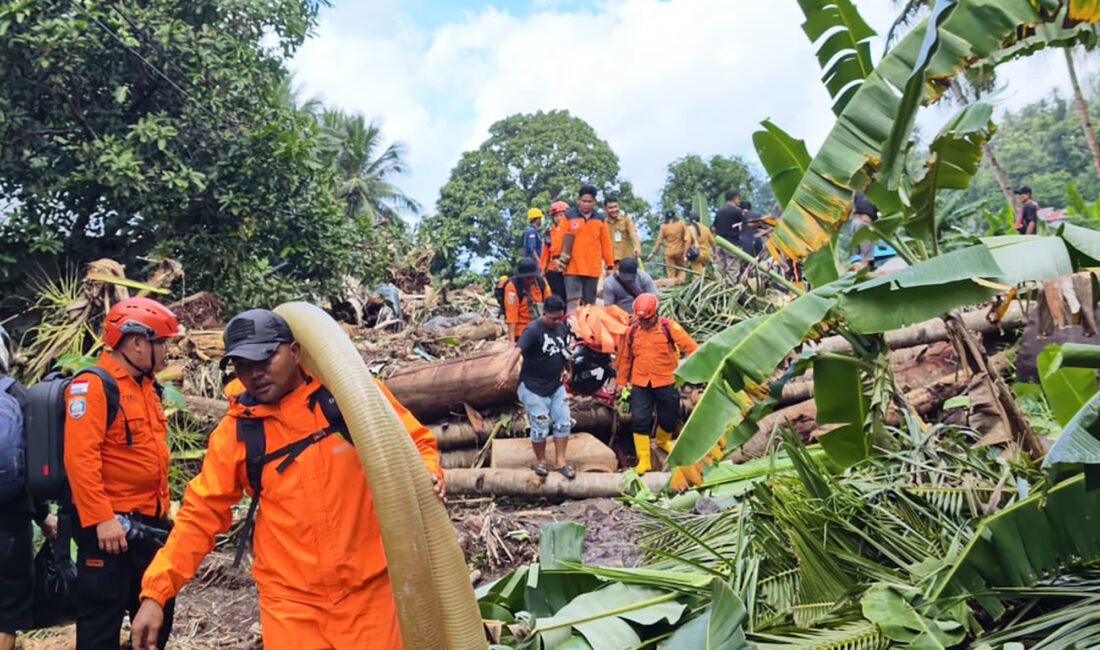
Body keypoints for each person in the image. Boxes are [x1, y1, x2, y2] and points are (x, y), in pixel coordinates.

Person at [131, 309, 445, 650]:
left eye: (266, 358)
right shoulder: (237, 432)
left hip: (372, 592)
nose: (255, 374)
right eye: (243, 365)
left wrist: (428, 472)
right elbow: (199, 517)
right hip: (291, 605)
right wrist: (156, 593)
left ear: (294, 352)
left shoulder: (347, 398)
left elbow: (416, 442)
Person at [63, 297, 180, 650]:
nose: (166, 354)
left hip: (150, 527)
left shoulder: (146, 388)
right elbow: (79, 459)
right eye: (162, 344)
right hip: (109, 533)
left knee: (156, 622)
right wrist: (101, 519)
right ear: (137, 343)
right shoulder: (93, 386)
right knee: (101, 626)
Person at [0, 324, 57, 650]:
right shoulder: (18, 396)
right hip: (10, 521)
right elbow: (36, 466)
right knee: (6, 611)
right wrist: (43, 517)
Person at [611, 294, 698, 475]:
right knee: (639, 419)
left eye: (647, 319)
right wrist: (620, 382)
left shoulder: (669, 327)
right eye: (640, 318)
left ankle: (662, 441)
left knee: (669, 416)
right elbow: (626, 358)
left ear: (655, 314)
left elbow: (691, 349)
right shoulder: (632, 331)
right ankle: (643, 460)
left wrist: (696, 378)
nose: (643, 322)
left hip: (666, 380)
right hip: (641, 381)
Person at [494, 295, 574, 480]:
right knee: (541, 423)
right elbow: (517, 351)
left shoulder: (561, 328)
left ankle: (560, 461)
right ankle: (541, 460)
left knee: (563, 421)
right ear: (543, 313)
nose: (555, 321)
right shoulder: (533, 330)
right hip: (533, 387)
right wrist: (506, 371)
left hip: (555, 385)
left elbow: (564, 351)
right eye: (552, 318)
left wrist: (569, 369)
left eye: (558, 318)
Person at [561, 185, 614, 311]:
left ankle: (589, 329)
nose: (586, 204)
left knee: (590, 305)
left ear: (594, 202)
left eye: (589, 201)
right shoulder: (568, 217)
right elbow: (560, 240)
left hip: (592, 268)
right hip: (572, 267)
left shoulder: (600, 220)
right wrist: (557, 258)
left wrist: (610, 265)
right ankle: (572, 329)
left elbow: (605, 243)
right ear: (578, 200)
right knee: (573, 303)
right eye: (584, 201)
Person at [504, 257, 551, 342]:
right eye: (526, 278)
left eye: (531, 277)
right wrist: (511, 342)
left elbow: (550, 303)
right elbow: (511, 315)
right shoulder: (512, 287)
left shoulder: (541, 282)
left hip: (541, 328)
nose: (529, 280)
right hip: (522, 332)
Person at [647, 210, 688, 282]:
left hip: (669, 253)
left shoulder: (663, 227)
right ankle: (681, 282)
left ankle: (671, 286)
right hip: (680, 251)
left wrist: (652, 253)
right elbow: (687, 237)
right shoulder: (681, 223)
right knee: (682, 269)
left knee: (671, 272)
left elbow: (659, 241)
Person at [712, 190, 744, 279]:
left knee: (720, 269)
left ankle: (719, 289)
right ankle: (731, 290)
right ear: (735, 198)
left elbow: (713, 228)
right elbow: (746, 224)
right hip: (731, 244)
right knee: (732, 270)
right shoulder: (737, 211)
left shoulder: (719, 212)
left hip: (720, 244)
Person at [542, 200, 570, 298]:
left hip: (570, 268)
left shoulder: (572, 230)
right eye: (556, 216)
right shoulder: (549, 232)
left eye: (561, 215)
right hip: (553, 269)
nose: (559, 218)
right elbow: (544, 253)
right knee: (557, 297)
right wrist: (542, 270)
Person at [604, 195, 641, 267]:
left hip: (626, 261)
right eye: (610, 208)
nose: (614, 209)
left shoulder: (626, 220)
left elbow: (633, 234)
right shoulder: (603, 223)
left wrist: (637, 247)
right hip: (610, 263)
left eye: (615, 207)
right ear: (605, 209)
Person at [849, 191, 878, 269]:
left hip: (854, 223)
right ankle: (865, 274)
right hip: (864, 224)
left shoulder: (858, 191)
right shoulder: (875, 191)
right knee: (865, 257)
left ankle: (855, 273)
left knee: (856, 256)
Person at [685, 212, 716, 278]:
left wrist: (684, 254)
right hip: (706, 255)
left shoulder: (690, 229)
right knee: (707, 275)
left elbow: (687, 242)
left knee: (697, 276)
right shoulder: (706, 229)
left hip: (696, 256)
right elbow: (713, 242)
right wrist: (715, 254)